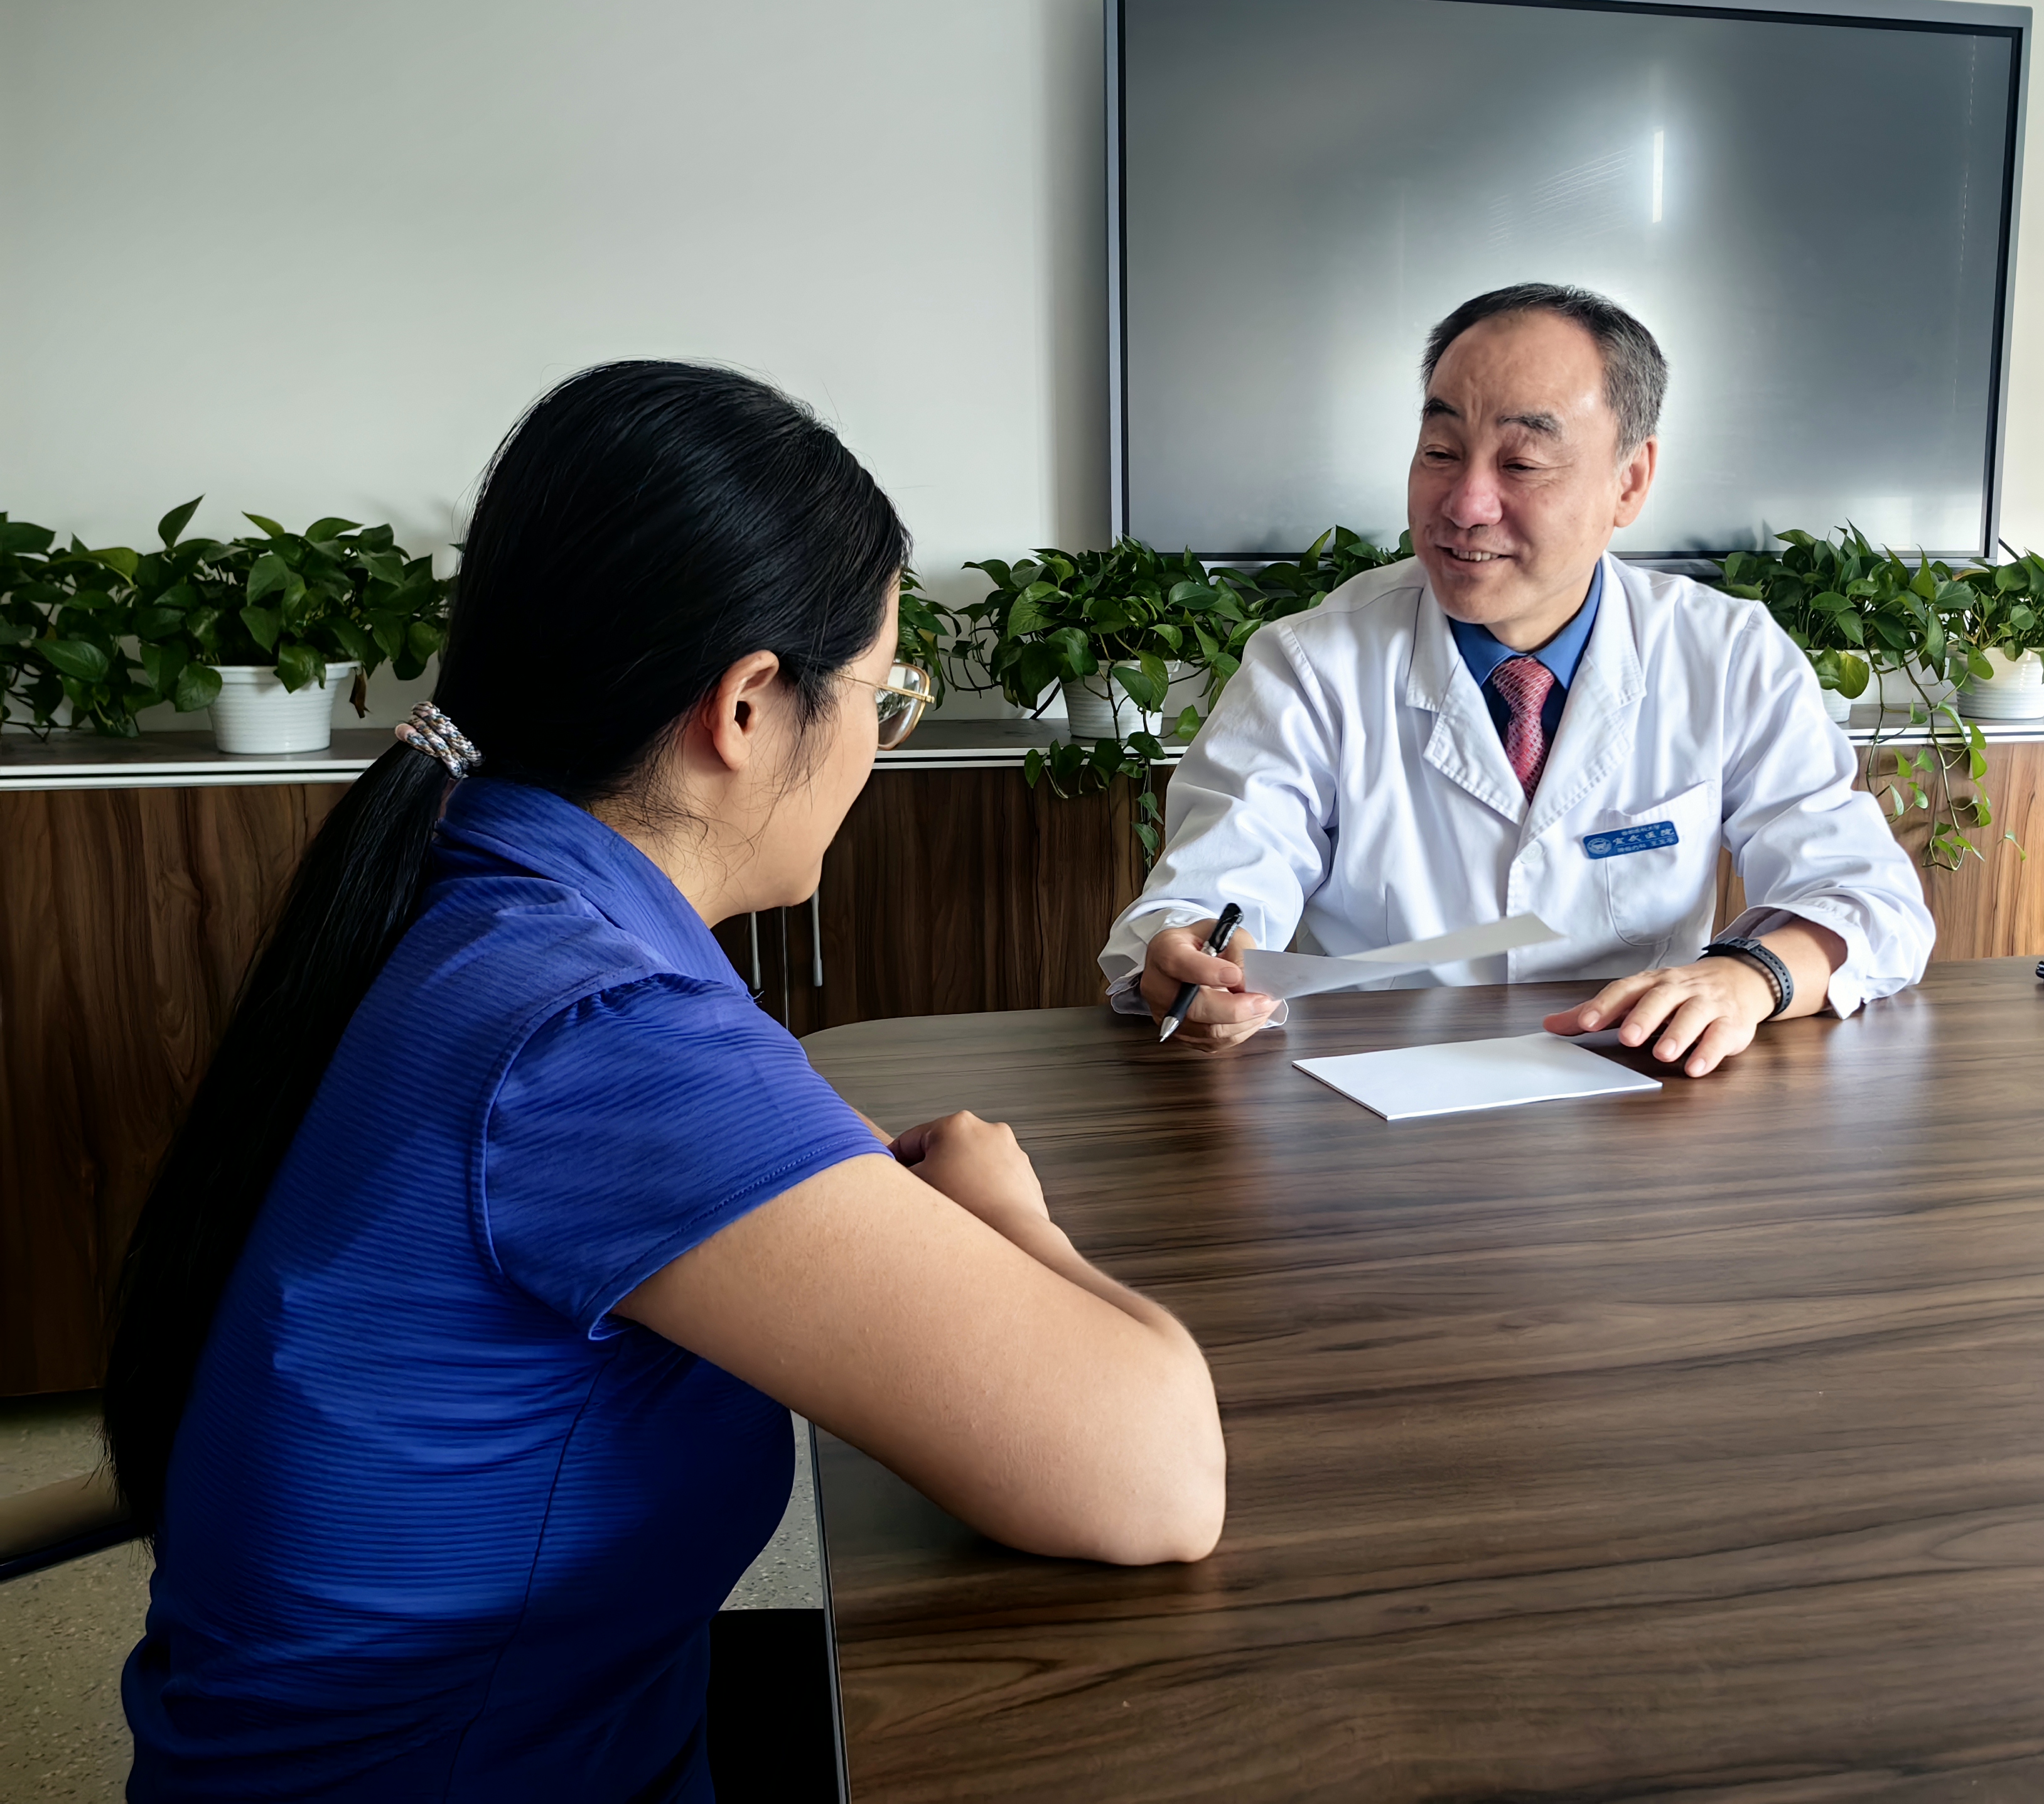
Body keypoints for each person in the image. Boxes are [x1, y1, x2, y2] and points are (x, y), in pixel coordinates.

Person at [105, 362, 1224, 1800]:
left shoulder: (471, 896)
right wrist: (1011, 1219)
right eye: (886, 695)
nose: (878, 743)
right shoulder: (598, 1033)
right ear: (747, 707)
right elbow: (1153, 1480)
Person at [1101, 283, 1934, 1072]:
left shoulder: (1727, 656)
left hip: (1634, 1096)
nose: (1465, 505)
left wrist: (1753, 978)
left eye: (1523, 463)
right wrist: (1189, 953)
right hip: (1370, 1098)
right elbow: (1216, 886)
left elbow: (1868, 901)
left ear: (1630, 481)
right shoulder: (1313, 664)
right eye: (1440, 452)